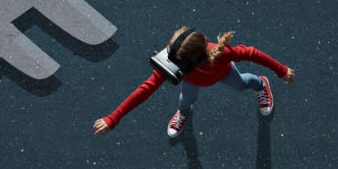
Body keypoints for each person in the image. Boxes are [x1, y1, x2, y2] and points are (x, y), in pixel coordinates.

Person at [93, 27, 295, 137]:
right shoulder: (175, 58)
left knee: (242, 83)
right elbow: (146, 89)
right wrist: (114, 117)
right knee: (185, 102)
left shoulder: (221, 54)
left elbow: (253, 54)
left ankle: (261, 84)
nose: (169, 61)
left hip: (223, 74)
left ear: (195, 59)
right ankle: (183, 113)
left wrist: (281, 70)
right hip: (193, 82)